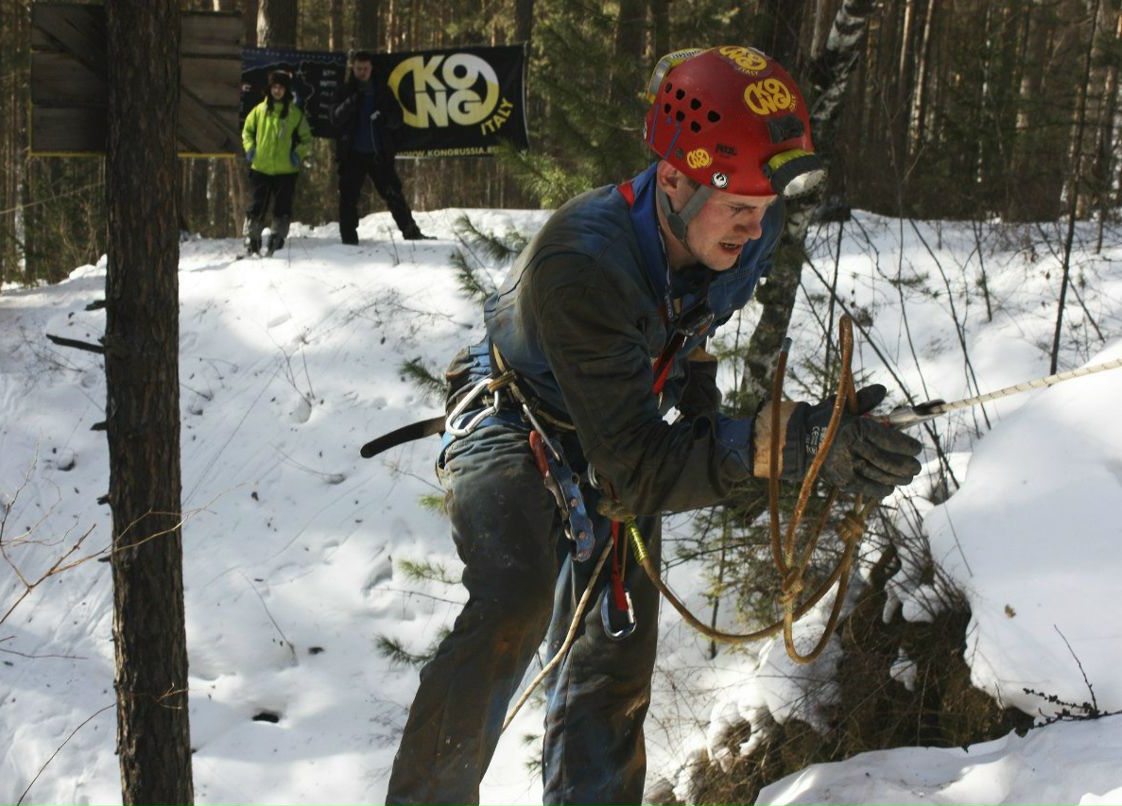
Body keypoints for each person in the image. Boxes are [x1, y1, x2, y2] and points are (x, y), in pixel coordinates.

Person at [382, 46, 923, 806]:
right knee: (513, 601)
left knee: (616, 655)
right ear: (672, 178)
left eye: (764, 207)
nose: (754, 228)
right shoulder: (582, 262)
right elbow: (634, 470)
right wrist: (783, 445)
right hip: (515, 413)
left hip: (622, 413)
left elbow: (693, 316)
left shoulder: (745, 222)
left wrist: (706, 408)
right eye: (737, 208)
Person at [331, 50, 426, 245]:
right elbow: (334, 118)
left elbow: (398, 118)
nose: (362, 73)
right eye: (359, 69)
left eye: (365, 69)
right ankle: (348, 240)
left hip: (379, 153)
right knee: (348, 198)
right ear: (353, 68)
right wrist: (352, 102)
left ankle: (411, 232)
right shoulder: (345, 91)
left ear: (371, 68)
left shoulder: (382, 90)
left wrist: (385, 118)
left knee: (393, 194)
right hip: (352, 154)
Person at [241, 69, 313, 257]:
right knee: (256, 206)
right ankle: (251, 239)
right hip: (260, 167)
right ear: (269, 89)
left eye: (281, 87)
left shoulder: (295, 114)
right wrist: (250, 148)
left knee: (282, 208)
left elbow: (306, 139)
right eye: (274, 87)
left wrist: (297, 154)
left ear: (286, 90)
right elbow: (247, 131)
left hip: (286, 170)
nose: (277, 91)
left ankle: (277, 240)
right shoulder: (259, 111)